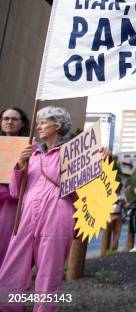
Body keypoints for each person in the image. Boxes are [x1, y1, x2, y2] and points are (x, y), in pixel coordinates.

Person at [0, 106, 109, 311]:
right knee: (10, 273)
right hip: (26, 215)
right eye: (38, 121)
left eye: (44, 122)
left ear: (57, 125)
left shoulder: (75, 154)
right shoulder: (31, 154)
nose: (38, 126)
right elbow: (15, 192)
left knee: (48, 277)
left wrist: (100, 161)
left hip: (58, 215)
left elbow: (89, 192)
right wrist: (20, 164)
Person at [0, 107, 29, 268]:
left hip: (12, 203)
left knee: (5, 243)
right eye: (5, 118)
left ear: (22, 123)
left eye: (14, 119)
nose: (9, 122)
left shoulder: (31, 147)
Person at [109, 183, 126, 251]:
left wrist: (123, 203)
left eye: (120, 187)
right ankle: (108, 247)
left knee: (117, 232)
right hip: (110, 214)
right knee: (108, 231)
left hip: (119, 214)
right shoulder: (110, 193)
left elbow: (125, 204)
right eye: (118, 187)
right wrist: (116, 201)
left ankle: (114, 247)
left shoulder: (122, 195)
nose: (119, 188)